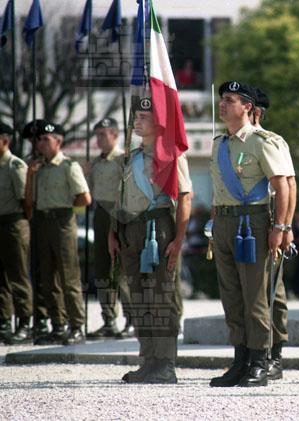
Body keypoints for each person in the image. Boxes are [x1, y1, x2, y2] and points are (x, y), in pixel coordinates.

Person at [208, 81, 289, 387]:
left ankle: (259, 360)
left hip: (252, 223)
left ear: (247, 107)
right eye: (222, 99)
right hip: (224, 222)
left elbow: (282, 186)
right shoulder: (219, 144)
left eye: (230, 100)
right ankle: (240, 360)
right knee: (231, 296)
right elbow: (218, 190)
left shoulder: (261, 141)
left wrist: (280, 227)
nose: (223, 104)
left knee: (255, 296)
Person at [108, 98, 192, 384]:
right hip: (129, 230)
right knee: (138, 298)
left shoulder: (171, 155)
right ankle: (148, 360)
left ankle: (165, 364)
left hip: (158, 229)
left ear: (159, 123)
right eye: (137, 116)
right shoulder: (130, 157)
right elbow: (120, 197)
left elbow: (185, 197)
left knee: (160, 298)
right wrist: (112, 233)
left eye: (145, 117)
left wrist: (178, 239)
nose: (137, 121)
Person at [24, 121, 92, 346]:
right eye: (39, 140)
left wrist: (63, 206)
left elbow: (84, 197)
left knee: (68, 276)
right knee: (47, 278)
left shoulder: (68, 166)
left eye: (46, 139)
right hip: (41, 221)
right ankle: (58, 324)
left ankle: (77, 326)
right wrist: (30, 176)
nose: (41, 144)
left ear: (58, 141)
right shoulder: (38, 168)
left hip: (62, 221)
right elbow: (29, 201)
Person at [251, 86, 297, 381]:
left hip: (269, 219)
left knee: (272, 290)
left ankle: (274, 354)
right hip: (243, 221)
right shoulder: (229, 142)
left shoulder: (272, 141)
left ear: (255, 112)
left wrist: (285, 226)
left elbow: (288, 185)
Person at [86, 117, 133, 340]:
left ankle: (131, 319)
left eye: (103, 134)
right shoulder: (95, 163)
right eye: (97, 135)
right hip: (100, 213)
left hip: (119, 213)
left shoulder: (123, 159)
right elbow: (90, 192)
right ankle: (108, 319)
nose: (99, 139)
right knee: (102, 269)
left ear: (115, 135)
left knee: (121, 269)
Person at [0, 122, 33, 345]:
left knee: (18, 275)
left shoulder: (15, 166)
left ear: (5, 141)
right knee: (1, 278)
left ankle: (24, 322)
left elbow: (26, 201)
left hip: (14, 223)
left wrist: (23, 225)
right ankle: (4, 321)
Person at [21, 120, 51, 344]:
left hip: (48, 219)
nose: (35, 144)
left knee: (49, 275)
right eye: (32, 141)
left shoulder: (50, 165)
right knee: (35, 272)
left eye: (38, 139)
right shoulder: (29, 164)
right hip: (32, 219)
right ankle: (38, 318)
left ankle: (50, 319)